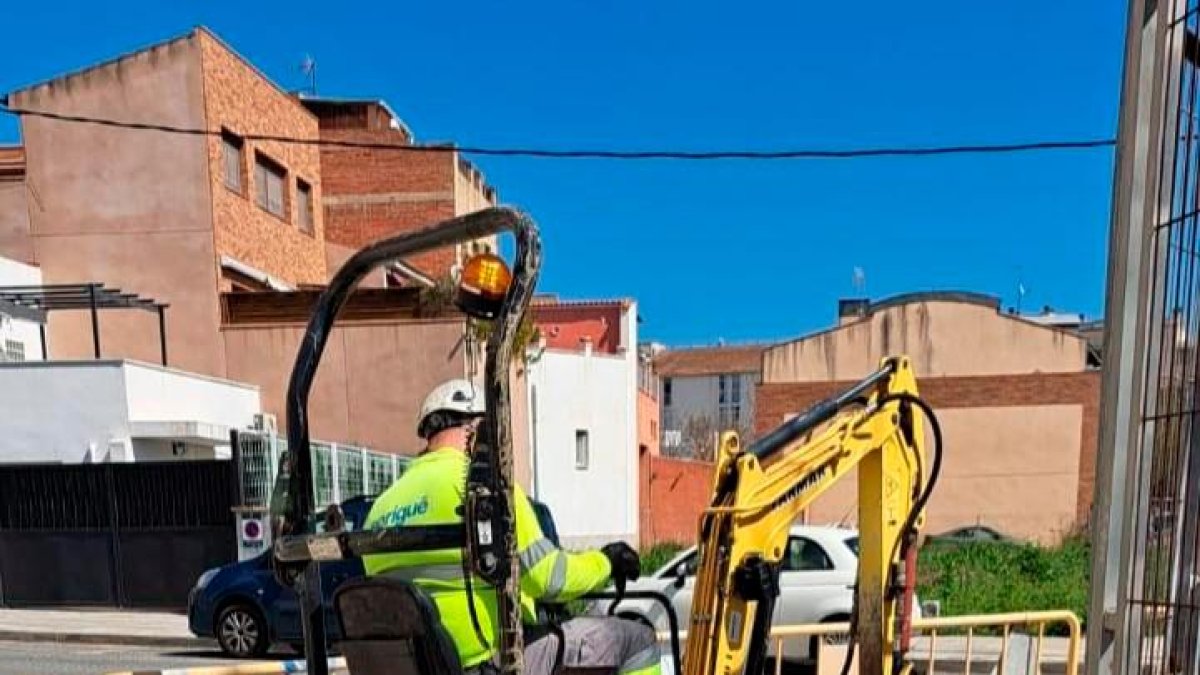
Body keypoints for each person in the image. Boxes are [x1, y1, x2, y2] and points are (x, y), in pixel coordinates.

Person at [362, 378, 662, 675]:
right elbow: (550, 578)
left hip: (422, 665)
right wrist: (607, 561)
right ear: (475, 430)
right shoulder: (485, 489)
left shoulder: (380, 508)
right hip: (489, 660)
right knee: (638, 641)